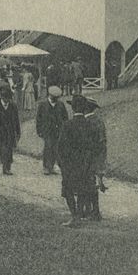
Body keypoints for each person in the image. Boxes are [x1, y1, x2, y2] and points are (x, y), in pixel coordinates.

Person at [58, 95, 102, 226]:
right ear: (84, 109)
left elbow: (61, 147)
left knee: (68, 190)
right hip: (86, 164)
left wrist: (62, 163)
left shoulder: (67, 125)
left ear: (72, 108)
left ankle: (74, 216)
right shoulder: (91, 125)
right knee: (83, 189)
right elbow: (96, 146)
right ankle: (79, 213)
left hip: (70, 164)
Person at [82, 98, 108, 220]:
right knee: (90, 184)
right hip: (95, 158)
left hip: (88, 158)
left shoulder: (86, 122)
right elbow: (103, 143)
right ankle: (92, 210)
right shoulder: (98, 121)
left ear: (86, 108)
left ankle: (93, 211)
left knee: (88, 184)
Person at [35, 86, 68, 175]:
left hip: (58, 131)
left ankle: (52, 166)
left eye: (57, 98)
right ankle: (46, 166)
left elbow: (65, 118)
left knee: (55, 148)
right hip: (47, 130)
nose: (55, 100)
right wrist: (39, 130)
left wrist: (64, 129)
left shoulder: (60, 105)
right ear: (50, 95)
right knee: (48, 147)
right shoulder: (43, 105)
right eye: (54, 98)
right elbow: (39, 119)